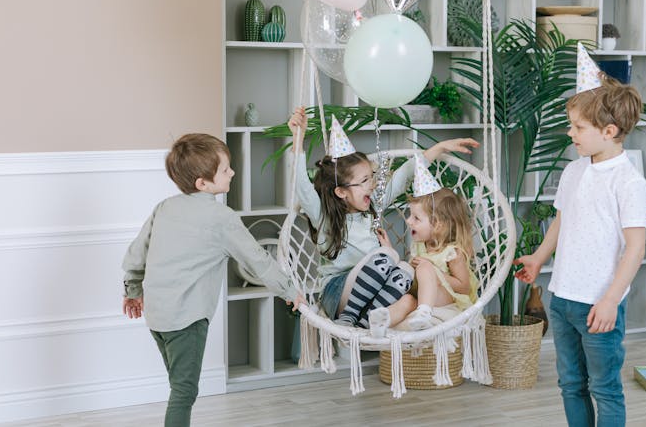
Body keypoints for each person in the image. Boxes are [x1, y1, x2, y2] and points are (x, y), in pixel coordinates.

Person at [122, 133, 299, 427]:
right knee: (184, 391)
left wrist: (132, 289)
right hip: (186, 320)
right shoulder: (222, 217)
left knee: (178, 383)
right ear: (202, 183)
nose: (233, 172)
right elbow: (257, 259)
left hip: (156, 316)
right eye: (225, 169)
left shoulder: (165, 207)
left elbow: (137, 253)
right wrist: (290, 289)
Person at [513, 44, 646, 427]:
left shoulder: (628, 182)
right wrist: (539, 258)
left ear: (609, 131)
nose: (569, 133)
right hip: (563, 297)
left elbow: (635, 249)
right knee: (570, 383)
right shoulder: (575, 171)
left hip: (598, 306)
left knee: (604, 388)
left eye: (578, 127)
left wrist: (609, 301)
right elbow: (562, 221)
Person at [287, 107, 479, 333]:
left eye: (372, 177)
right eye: (365, 180)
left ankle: (366, 322)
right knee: (388, 255)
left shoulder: (372, 207)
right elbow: (301, 185)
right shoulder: (324, 216)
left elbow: (403, 176)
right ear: (341, 192)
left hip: (370, 299)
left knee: (406, 270)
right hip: (338, 294)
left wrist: (439, 148)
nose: (373, 185)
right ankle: (348, 318)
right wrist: (297, 139)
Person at [368, 154, 479, 335]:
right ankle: (383, 323)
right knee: (407, 301)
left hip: (447, 298)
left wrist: (435, 273)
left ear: (437, 225)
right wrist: (388, 250)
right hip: (420, 296)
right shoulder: (420, 245)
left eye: (416, 218)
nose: (409, 221)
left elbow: (464, 287)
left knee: (425, 268)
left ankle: (424, 313)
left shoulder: (453, 253)